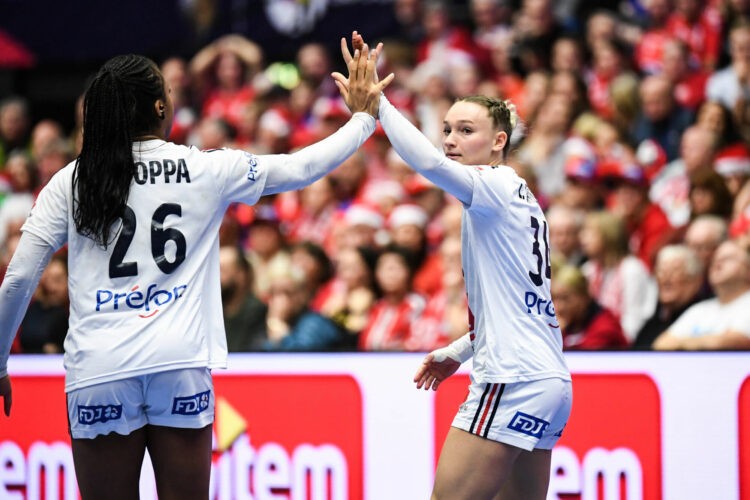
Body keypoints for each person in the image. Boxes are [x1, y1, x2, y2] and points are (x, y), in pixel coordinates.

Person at [0, 48, 391, 497]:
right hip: (179, 362)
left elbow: (17, 279)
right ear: (160, 106)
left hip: (100, 368)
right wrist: (364, 119)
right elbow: (301, 168)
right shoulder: (206, 168)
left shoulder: (71, 181)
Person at [340, 31, 571, 500]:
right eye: (446, 129)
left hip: (509, 377)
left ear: (498, 142)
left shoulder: (491, 185)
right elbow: (519, 310)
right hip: (548, 380)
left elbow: (426, 163)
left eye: (466, 131)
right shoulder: (520, 198)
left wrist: (376, 106)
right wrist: (459, 351)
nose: (449, 140)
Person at [653, 239, 750, 350]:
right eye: (714, 260)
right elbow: (661, 344)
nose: (717, 265)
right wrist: (705, 342)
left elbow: (736, 341)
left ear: (748, 269)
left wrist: (682, 342)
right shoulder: (700, 309)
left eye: (727, 259)